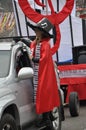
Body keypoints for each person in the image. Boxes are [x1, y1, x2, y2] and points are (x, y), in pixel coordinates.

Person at [27, 18, 60, 127]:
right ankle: (47, 116)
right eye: (35, 29)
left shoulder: (45, 44)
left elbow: (44, 59)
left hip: (43, 74)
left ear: (42, 32)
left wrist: (33, 59)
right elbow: (31, 47)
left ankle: (46, 117)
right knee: (42, 95)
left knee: (44, 95)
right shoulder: (35, 43)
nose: (35, 31)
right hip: (38, 73)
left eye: (37, 30)